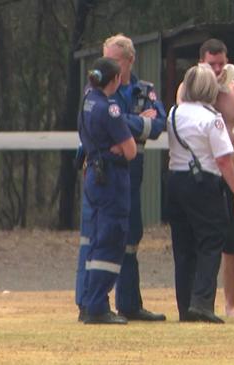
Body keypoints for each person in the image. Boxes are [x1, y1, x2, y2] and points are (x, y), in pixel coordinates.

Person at [75, 34, 167, 321]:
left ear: (130, 60)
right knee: (95, 236)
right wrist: (137, 122)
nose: (106, 66)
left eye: (113, 60)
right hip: (105, 170)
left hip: (131, 171)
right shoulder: (100, 94)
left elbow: (160, 124)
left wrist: (130, 124)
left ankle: (129, 303)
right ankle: (89, 302)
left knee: (129, 236)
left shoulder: (143, 90)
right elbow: (115, 122)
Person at [177, 38, 234, 317]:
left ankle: (231, 304)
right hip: (203, 176)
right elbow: (182, 119)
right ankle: (197, 302)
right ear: (200, 62)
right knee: (197, 243)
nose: (217, 69)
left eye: (221, 64)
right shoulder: (188, 89)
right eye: (211, 64)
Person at [167, 64, 234, 323]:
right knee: (211, 241)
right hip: (204, 183)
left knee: (183, 246)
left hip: (175, 181)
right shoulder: (212, 119)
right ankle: (202, 302)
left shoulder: (174, 113)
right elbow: (224, 160)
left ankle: (184, 305)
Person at [79, 57, 137, 324]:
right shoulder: (110, 108)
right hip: (111, 180)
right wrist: (117, 149)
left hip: (93, 172)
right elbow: (131, 151)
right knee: (111, 240)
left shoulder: (87, 101)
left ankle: (91, 300)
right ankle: (97, 307)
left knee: (95, 239)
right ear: (114, 80)